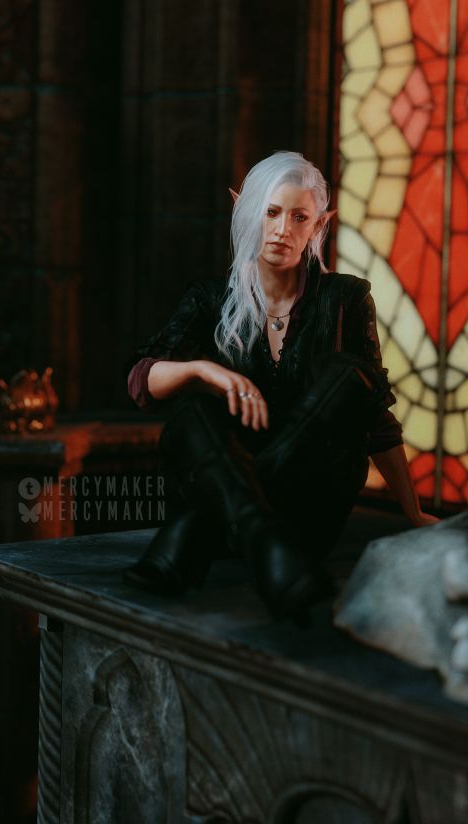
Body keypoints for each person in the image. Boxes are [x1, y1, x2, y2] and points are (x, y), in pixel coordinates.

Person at [123, 151, 438, 624]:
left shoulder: (346, 297)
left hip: (305, 510)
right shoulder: (210, 299)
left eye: (299, 217)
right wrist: (204, 371)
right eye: (270, 212)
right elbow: (142, 380)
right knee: (192, 409)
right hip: (238, 515)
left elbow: (374, 419)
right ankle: (263, 539)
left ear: (319, 225)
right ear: (244, 210)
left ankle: (201, 537)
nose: (282, 229)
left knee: (349, 378)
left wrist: (412, 514)